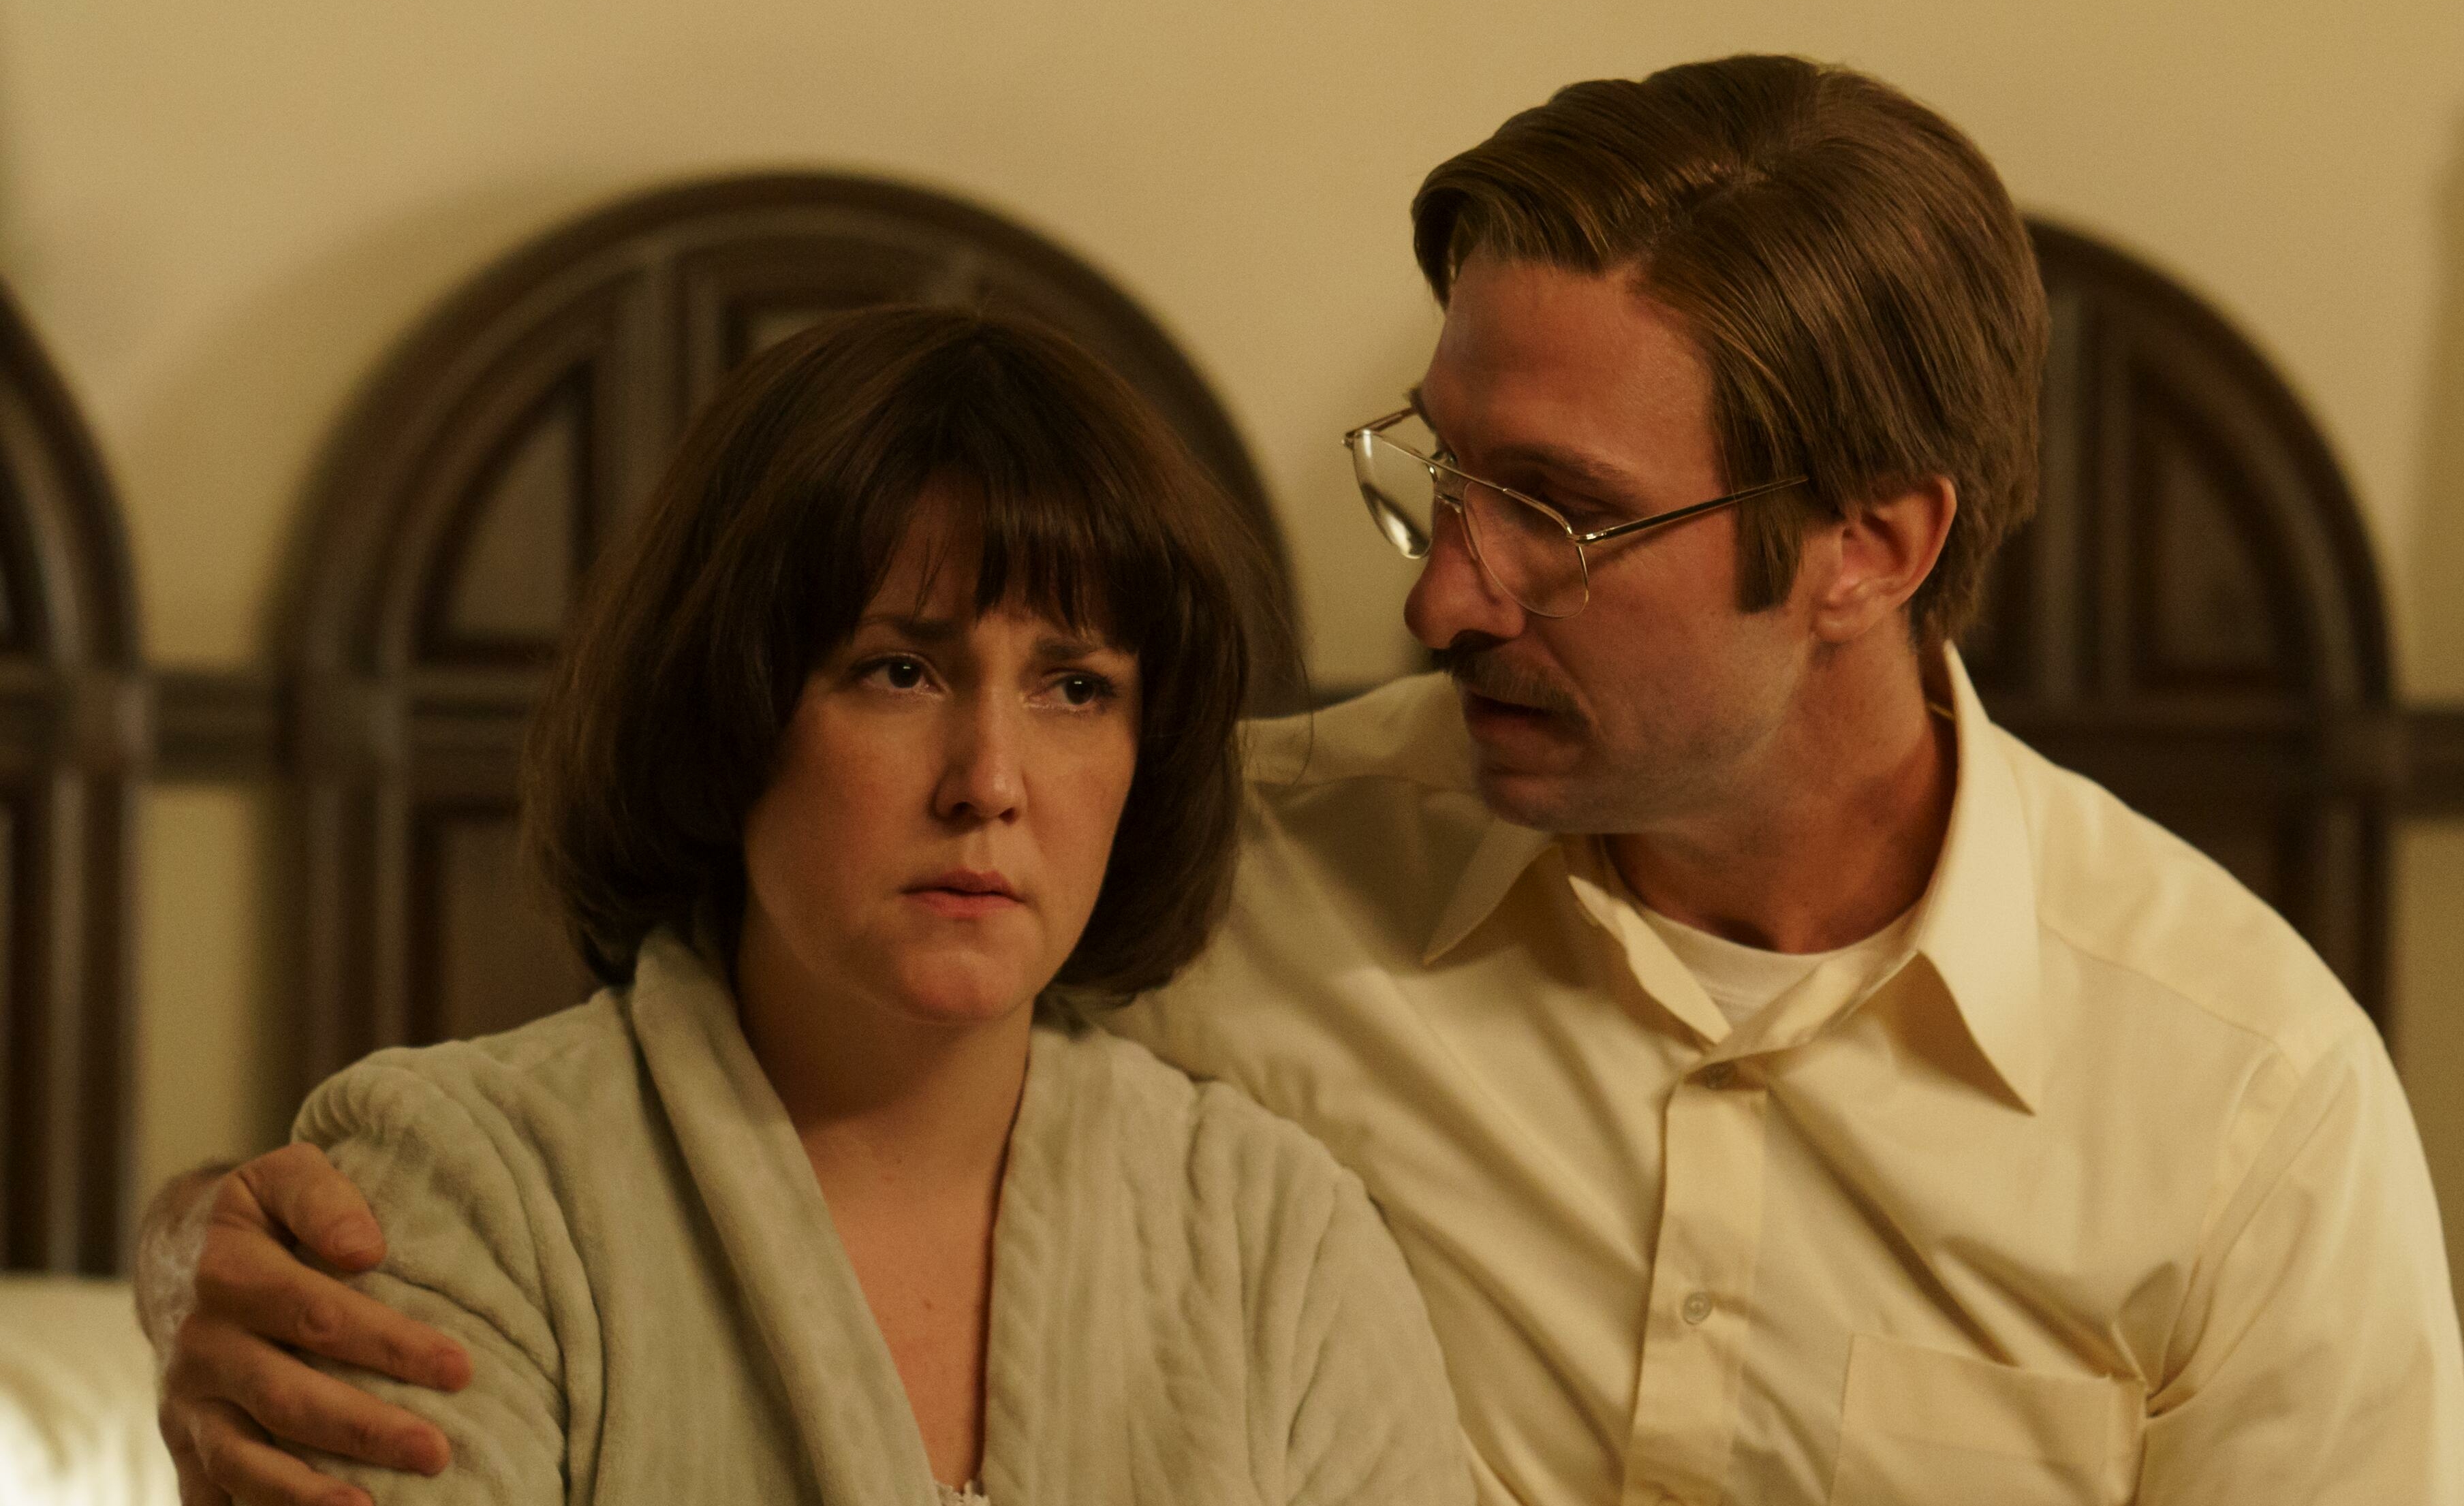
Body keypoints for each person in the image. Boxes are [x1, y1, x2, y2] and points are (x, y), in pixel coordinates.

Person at [138, 54, 2464, 1506]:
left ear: (1869, 544)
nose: (1441, 593)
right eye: (1436, 475)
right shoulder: (1193, 863)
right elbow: (628, 1129)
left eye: (1556, 515)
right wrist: (203, 1260)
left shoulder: (2239, 1105)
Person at [133, 304, 1470, 1505]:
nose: (991, 781)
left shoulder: (1276, 1234)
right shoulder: (471, 1189)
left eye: (1075, 688)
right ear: (732, 703)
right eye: (899, 670)